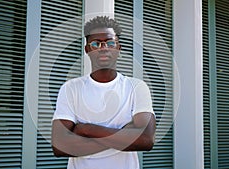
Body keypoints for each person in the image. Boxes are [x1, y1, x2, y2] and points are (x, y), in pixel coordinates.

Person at [51, 16, 156, 169]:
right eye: (95, 43)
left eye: (110, 42)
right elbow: (60, 146)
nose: (103, 48)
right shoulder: (71, 88)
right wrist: (125, 134)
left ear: (118, 48)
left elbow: (146, 140)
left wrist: (87, 129)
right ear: (87, 50)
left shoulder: (137, 87)